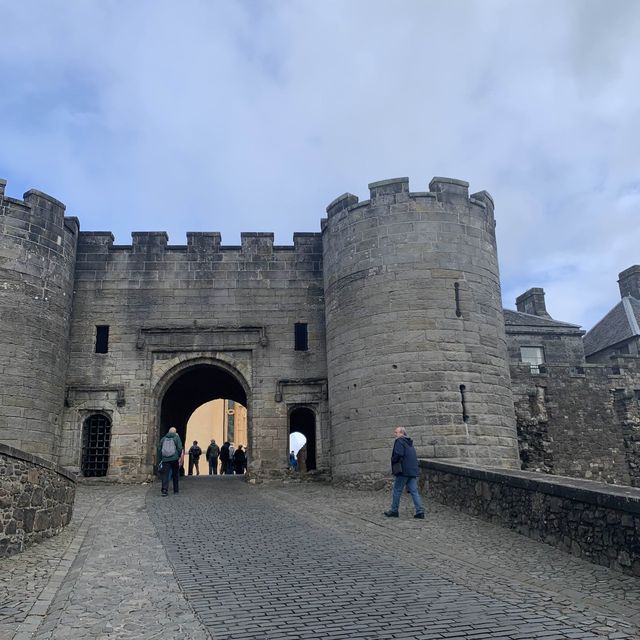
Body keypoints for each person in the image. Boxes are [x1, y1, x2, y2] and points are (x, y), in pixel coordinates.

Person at [384, 426, 424, 519]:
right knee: (414, 491)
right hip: (412, 470)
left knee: (397, 490)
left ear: (402, 433)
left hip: (403, 470)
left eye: (396, 432)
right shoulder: (409, 442)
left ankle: (394, 510)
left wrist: (393, 460)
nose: (394, 434)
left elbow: (398, 454)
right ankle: (420, 511)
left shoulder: (400, 441)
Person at [158, 427, 183, 496]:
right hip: (174, 459)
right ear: (175, 432)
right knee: (175, 474)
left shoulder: (163, 439)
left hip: (165, 459)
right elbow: (180, 448)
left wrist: (160, 458)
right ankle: (176, 489)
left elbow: (159, 449)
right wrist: (178, 456)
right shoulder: (176, 438)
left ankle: (164, 490)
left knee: (165, 475)